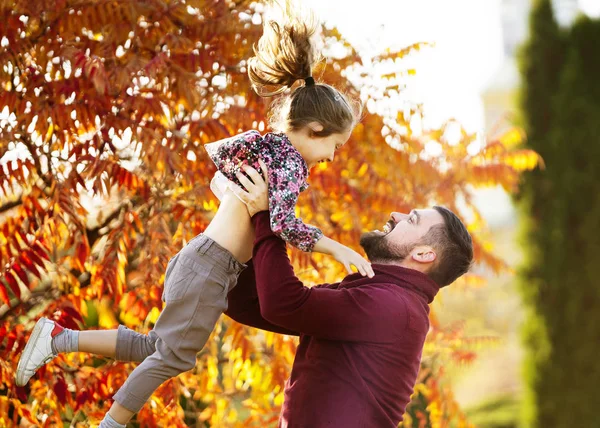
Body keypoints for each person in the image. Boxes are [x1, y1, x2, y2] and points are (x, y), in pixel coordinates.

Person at [14, 3, 371, 427]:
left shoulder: (266, 146)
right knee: (174, 356)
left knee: (155, 347)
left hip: (197, 258)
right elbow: (282, 225)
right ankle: (110, 423)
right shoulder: (292, 164)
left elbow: (220, 174)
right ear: (314, 131)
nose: (332, 157)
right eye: (335, 146)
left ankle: (59, 338)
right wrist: (336, 248)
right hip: (212, 270)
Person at [222, 162, 474, 427]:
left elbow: (282, 304)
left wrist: (269, 215)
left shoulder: (394, 307)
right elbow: (247, 304)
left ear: (423, 255)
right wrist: (249, 221)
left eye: (411, 220)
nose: (395, 214)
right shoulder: (379, 294)